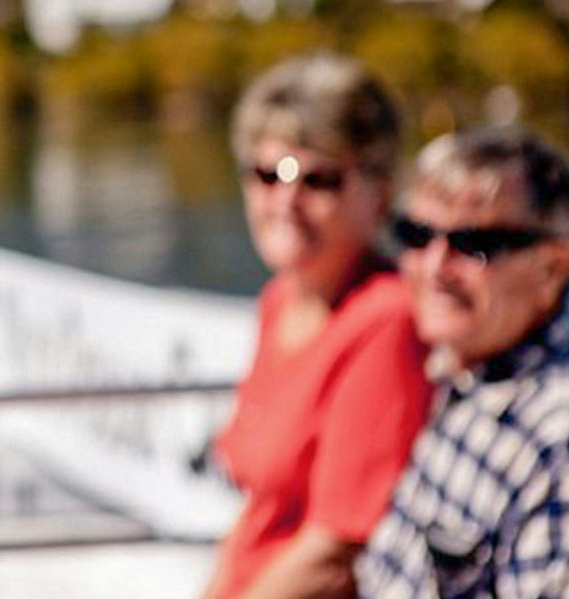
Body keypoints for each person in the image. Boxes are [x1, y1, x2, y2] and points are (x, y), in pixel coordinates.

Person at [201, 54, 432, 599]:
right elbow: (263, 511)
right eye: (268, 174)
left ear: (379, 192)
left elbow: (335, 552)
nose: (287, 201)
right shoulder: (281, 301)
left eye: (319, 179)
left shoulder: (387, 319)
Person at [357, 126, 569, 599]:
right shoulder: (463, 362)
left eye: (475, 243)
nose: (434, 266)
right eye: (416, 235)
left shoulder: (555, 442)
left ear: (551, 268)